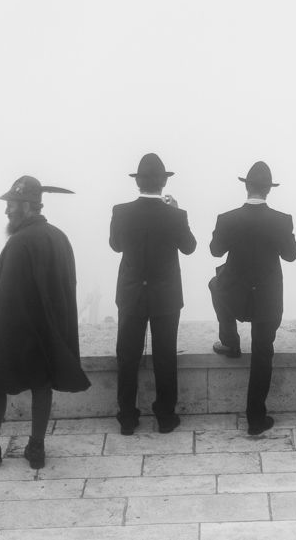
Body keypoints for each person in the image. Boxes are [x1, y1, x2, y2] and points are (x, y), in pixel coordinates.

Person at [0, 176, 90, 469]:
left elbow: (6, 298)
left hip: (17, 331)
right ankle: (36, 448)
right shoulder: (59, 237)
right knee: (42, 385)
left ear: (27, 206)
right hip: (49, 331)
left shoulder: (19, 243)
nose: (7, 212)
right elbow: (67, 288)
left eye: (11, 205)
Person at [208, 161, 296, 435]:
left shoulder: (228, 218)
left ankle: (230, 341)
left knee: (214, 284)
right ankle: (256, 418)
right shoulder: (282, 220)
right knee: (262, 352)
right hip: (267, 297)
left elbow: (214, 250)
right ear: (269, 190)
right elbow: (291, 255)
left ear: (246, 186)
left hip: (235, 294)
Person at [110, 153, 196, 435]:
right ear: (162, 183)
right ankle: (165, 417)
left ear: (138, 183)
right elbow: (189, 247)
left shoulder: (121, 211)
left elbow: (115, 246)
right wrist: (178, 211)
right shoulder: (175, 215)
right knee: (165, 356)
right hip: (166, 296)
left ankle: (127, 418)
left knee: (127, 356)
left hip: (131, 292)